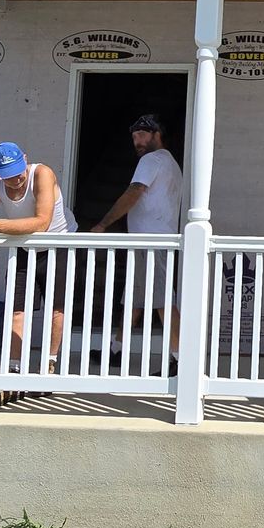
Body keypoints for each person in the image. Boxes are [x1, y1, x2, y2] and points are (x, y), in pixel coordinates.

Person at [0, 141, 69, 397]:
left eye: (19, 170)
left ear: (26, 158)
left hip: (58, 246)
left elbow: (42, 222)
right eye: (8, 176)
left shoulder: (42, 173)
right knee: (17, 309)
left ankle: (49, 364)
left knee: (56, 309)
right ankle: (14, 370)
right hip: (23, 248)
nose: (16, 179)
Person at [89, 113, 184, 361]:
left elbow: (135, 191)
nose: (137, 141)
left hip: (152, 242)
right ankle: (116, 349)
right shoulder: (170, 163)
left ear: (157, 135)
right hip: (148, 241)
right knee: (134, 297)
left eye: (142, 134)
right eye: (134, 137)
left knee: (163, 299)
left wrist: (103, 224)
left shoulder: (152, 160)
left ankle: (180, 357)